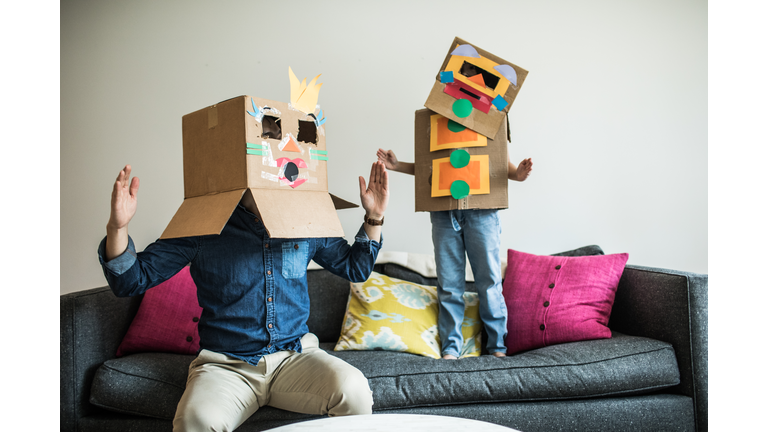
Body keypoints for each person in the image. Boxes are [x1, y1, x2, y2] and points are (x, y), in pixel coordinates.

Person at [98, 161, 389, 431]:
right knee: (195, 421)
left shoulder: (305, 219)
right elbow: (130, 281)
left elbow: (356, 268)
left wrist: (374, 217)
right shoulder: (202, 225)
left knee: (354, 390)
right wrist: (118, 227)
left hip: (294, 358)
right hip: (226, 365)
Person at [376, 148, 532, 359]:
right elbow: (434, 165)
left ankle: (497, 347)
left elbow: (497, 162)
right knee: (449, 284)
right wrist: (398, 165)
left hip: (482, 210)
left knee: (489, 282)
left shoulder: (490, 116)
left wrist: (518, 175)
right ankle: (451, 348)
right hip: (443, 210)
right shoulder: (438, 121)